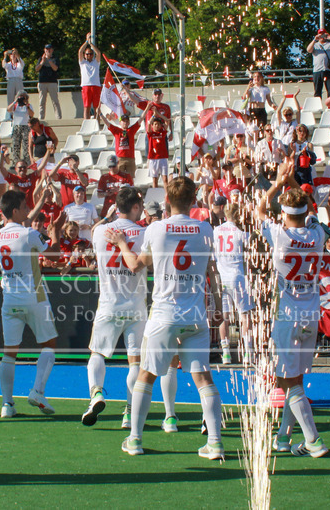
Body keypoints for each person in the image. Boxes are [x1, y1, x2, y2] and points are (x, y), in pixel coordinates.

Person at [115, 176, 225, 460]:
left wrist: (122, 245)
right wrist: (219, 305)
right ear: (193, 201)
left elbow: (137, 265)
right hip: (195, 314)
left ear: (167, 200)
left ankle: (135, 439)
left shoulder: (156, 228)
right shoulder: (205, 229)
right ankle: (214, 442)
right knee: (203, 378)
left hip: (164, 313)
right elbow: (212, 270)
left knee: (146, 375)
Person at [255, 160, 328, 457]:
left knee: (286, 379)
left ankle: (313, 440)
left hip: (288, 313)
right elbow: (312, 208)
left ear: (284, 214)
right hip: (312, 311)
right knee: (294, 379)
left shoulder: (280, 235)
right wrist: (294, 184)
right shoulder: (317, 234)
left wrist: (277, 182)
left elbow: (260, 209)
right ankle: (284, 439)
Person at [82, 187, 148, 427]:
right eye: (139, 205)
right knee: (135, 361)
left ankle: (96, 393)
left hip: (109, 304)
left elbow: (92, 229)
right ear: (134, 207)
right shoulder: (143, 233)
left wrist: (109, 218)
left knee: (97, 353)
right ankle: (129, 412)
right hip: (136, 305)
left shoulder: (100, 231)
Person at [0, 189, 56, 418]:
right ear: (16, 210)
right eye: (25, 207)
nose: (28, 210)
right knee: (49, 343)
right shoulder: (29, 233)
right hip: (34, 296)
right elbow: (53, 252)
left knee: (9, 353)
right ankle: (37, 391)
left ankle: (7, 405)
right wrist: (54, 232)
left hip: (9, 297)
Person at [212, 203, 253, 365]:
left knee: (225, 316)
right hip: (237, 276)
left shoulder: (216, 231)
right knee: (244, 314)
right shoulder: (241, 233)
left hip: (222, 277)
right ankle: (248, 351)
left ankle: (226, 352)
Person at [99, 110, 142, 179]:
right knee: (119, 178)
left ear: (129, 123)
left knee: (130, 178)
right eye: (123, 121)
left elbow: (141, 119)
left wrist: (147, 108)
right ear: (120, 122)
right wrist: (100, 114)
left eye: (127, 121)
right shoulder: (117, 131)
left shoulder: (131, 130)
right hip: (120, 158)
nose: (125, 122)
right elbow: (107, 123)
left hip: (130, 158)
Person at [307, 28, 330, 98]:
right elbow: (309, 50)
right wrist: (314, 40)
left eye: (323, 34)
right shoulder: (315, 45)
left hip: (328, 70)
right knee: (317, 91)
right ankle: (317, 106)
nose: (322, 36)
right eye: (320, 34)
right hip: (317, 70)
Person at [79, 34, 102, 120]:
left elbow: (98, 53)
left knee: (96, 107)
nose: (89, 55)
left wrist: (91, 44)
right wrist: (86, 42)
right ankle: (87, 123)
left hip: (96, 85)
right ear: (85, 55)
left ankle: (97, 124)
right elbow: (80, 51)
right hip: (86, 86)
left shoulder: (96, 62)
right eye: (87, 54)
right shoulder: (82, 63)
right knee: (87, 107)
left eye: (91, 54)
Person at [36, 43, 61, 120]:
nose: (48, 51)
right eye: (46, 49)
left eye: (49, 49)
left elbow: (55, 68)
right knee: (42, 102)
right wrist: (42, 61)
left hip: (52, 82)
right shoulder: (40, 59)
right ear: (44, 50)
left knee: (55, 101)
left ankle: (58, 117)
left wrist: (49, 60)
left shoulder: (55, 59)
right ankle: (41, 118)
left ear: (52, 50)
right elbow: (37, 69)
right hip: (42, 82)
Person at [7, 92, 34, 164]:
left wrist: (26, 105)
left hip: (25, 127)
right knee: (15, 145)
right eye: (20, 97)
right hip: (16, 126)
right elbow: (8, 109)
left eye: (23, 97)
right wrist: (15, 101)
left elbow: (31, 115)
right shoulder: (15, 106)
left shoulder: (28, 106)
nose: (21, 98)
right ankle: (15, 162)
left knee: (26, 145)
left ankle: (26, 162)